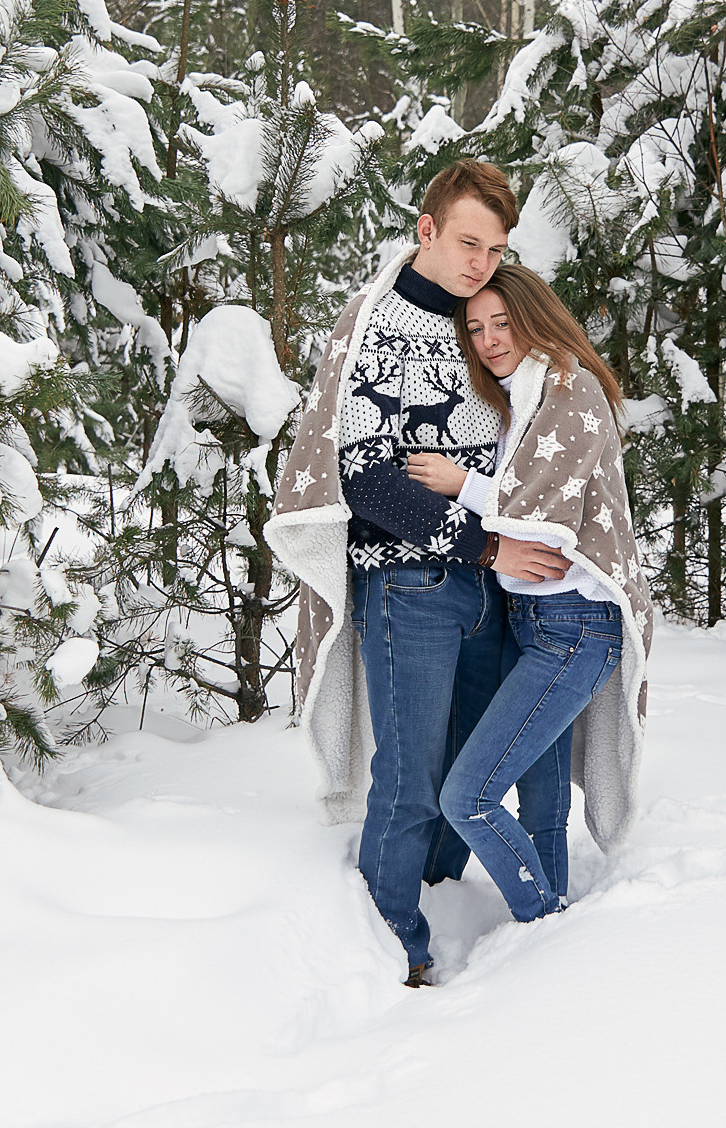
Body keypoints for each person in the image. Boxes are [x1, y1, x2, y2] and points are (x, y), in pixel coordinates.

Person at [266, 162, 573, 987]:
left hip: (496, 593)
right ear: (426, 229)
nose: (482, 260)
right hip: (412, 585)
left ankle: (444, 906)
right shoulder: (375, 323)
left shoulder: (488, 321)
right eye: (469, 241)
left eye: (497, 247)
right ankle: (389, 953)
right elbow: (363, 476)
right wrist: (485, 545)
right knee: (409, 780)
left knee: (469, 767)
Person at [404, 265, 654, 926]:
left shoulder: (570, 391)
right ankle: (550, 926)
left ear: (532, 316)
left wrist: (460, 482)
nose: (488, 339)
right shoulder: (521, 398)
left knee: (469, 796)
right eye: (476, 327)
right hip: (530, 620)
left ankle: (546, 926)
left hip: (575, 627)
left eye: (501, 323)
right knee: (539, 803)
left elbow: (543, 512)